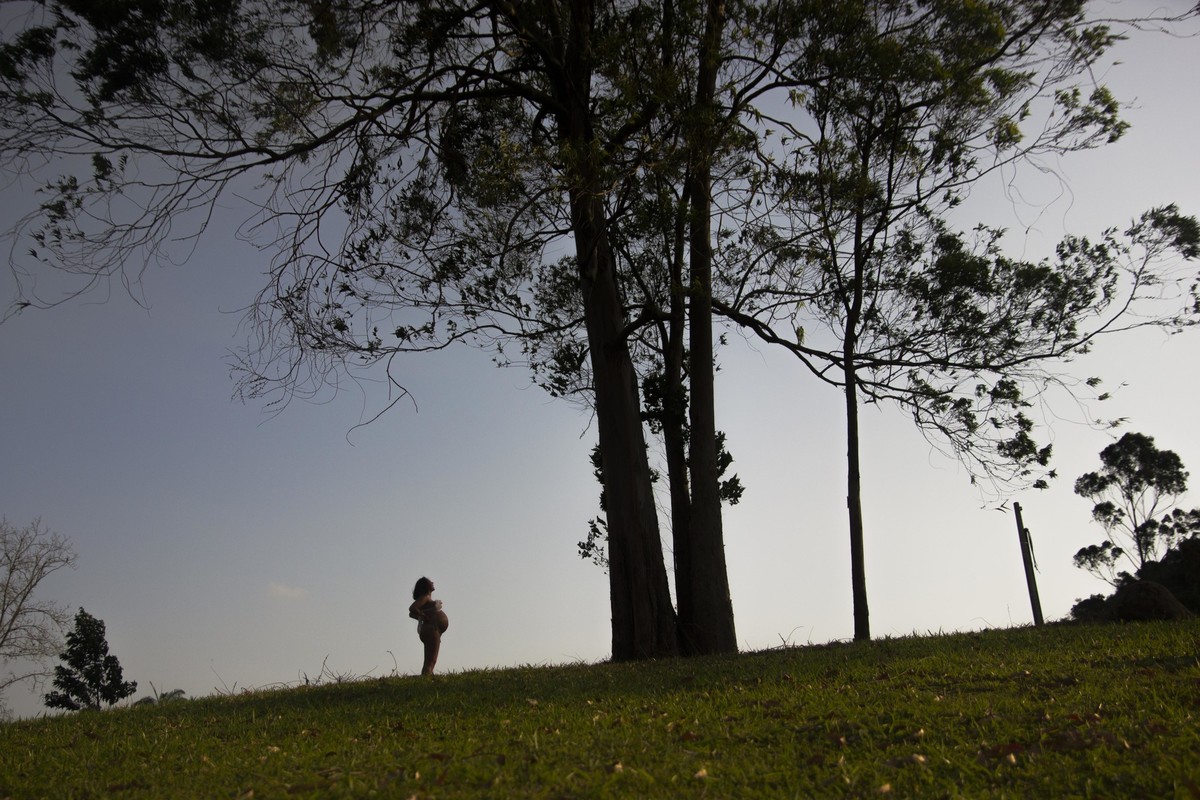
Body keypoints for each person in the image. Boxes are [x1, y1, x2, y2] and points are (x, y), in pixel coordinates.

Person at [408, 576, 449, 675]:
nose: (433, 582)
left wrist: (424, 614)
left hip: (433, 630)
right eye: (430, 581)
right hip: (431, 629)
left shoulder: (427, 598)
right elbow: (412, 609)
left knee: (430, 660)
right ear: (425, 586)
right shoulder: (425, 597)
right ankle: (426, 678)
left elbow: (412, 614)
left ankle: (427, 676)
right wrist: (424, 614)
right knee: (430, 661)